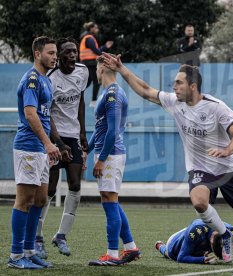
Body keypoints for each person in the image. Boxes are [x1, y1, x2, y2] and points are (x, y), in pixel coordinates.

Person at [103, 54, 233, 262]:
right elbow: (145, 91)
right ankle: (224, 234)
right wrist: (121, 69)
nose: (174, 87)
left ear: (192, 86)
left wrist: (228, 150)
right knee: (199, 202)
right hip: (201, 169)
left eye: (179, 83)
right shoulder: (175, 102)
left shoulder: (215, 106)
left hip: (228, 167)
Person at [8, 36, 61, 269]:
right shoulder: (31, 78)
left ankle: (29, 250)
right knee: (24, 200)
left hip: (41, 149)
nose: (55, 56)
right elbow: (31, 114)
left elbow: (46, 116)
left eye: (55, 52)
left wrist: (51, 144)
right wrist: (47, 143)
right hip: (29, 146)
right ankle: (16, 255)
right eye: (50, 53)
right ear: (37, 54)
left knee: (40, 199)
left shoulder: (46, 81)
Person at [34, 37, 89, 259]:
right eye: (68, 52)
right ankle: (37, 238)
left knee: (75, 185)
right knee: (50, 190)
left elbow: (81, 101)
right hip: (54, 136)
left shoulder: (83, 72)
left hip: (74, 136)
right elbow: (47, 114)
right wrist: (58, 143)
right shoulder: (50, 78)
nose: (73, 56)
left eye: (75, 52)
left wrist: (83, 133)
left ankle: (61, 236)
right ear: (59, 57)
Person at [87, 55, 141, 266]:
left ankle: (112, 254)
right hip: (105, 153)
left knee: (109, 200)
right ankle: (130, 248)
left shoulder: (112, 94)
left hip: (110, 155)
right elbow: (100, 129)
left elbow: (112, 132)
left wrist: (100, 159)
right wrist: (86, 150)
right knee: (111, 201)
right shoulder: (107, 93)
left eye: (97, 66)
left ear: (102, 68)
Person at [155, 218, 233, 265]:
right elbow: (181, 258)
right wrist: (202, 260)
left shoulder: (232, 233)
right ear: (211, 241)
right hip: (175, 243)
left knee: (199, 252)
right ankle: (161, 247)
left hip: (198, 243)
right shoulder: (197, 231)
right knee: (170, 254)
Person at [79, 21, 114, 107]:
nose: (97, 29)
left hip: (87, 62)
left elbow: (96, 50)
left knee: (89, 81)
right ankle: (94, 101)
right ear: (91, 28)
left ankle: (76, 94)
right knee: (97, 81)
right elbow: (96, 50)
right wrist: (105, 55)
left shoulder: (88, 38)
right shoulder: (89, 38)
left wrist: (105, 47)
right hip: (90, 62)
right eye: (96, 28)